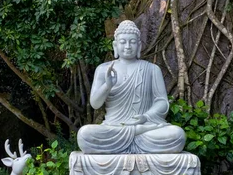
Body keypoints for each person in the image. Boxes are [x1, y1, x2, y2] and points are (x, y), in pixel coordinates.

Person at [77, 20, 185, 154]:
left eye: (132, 42)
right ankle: (133, 140)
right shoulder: (104, 69)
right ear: (115, 45)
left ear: (139, 46)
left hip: (145, 129)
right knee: (84, 134)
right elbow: (95, 104)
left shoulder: (152, 69)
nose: (128, 46)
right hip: (115, 129)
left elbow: (162, 102)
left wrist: (145, 117)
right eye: (123, 42)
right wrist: (108, 85)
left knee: (177, 135)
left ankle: (133, 139)